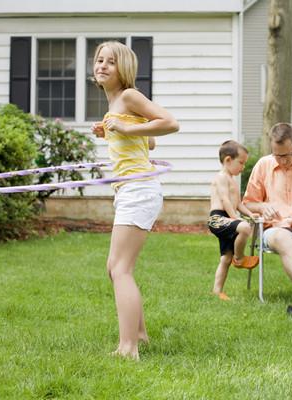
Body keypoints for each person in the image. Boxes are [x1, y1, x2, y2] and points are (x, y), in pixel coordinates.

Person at [91, 41, 179, 359]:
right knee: (115, 267)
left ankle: (128, 348)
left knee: (120, 269)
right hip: (130, 190)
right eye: (99, 60)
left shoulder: (128, 96)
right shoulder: (114, 104)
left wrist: (124, 128)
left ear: (123, 69)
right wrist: (111, 131)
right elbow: (151, 141)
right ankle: (139, 335)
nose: (102, 65)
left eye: (110, 62)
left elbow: (170, 123)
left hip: (139, 189)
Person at [243, 123, 292, 293]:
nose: (282, 160)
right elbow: (248, 204)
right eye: (277, 155)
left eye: (286, 155)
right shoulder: (264, 165)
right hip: (276, 230)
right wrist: (262, 205)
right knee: (283, 238)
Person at [208, 140, 259, 301]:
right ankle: (240, 258)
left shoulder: (233, 180)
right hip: (218, 218)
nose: (243, 167)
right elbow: (225, 200)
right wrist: (234, 218)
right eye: (241, 163)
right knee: (244, 228)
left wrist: (250, 214)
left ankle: (217, 291)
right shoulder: (221, 177)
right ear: (228, 160)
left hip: (227, 219)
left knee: (225, 258)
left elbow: (238, 204)